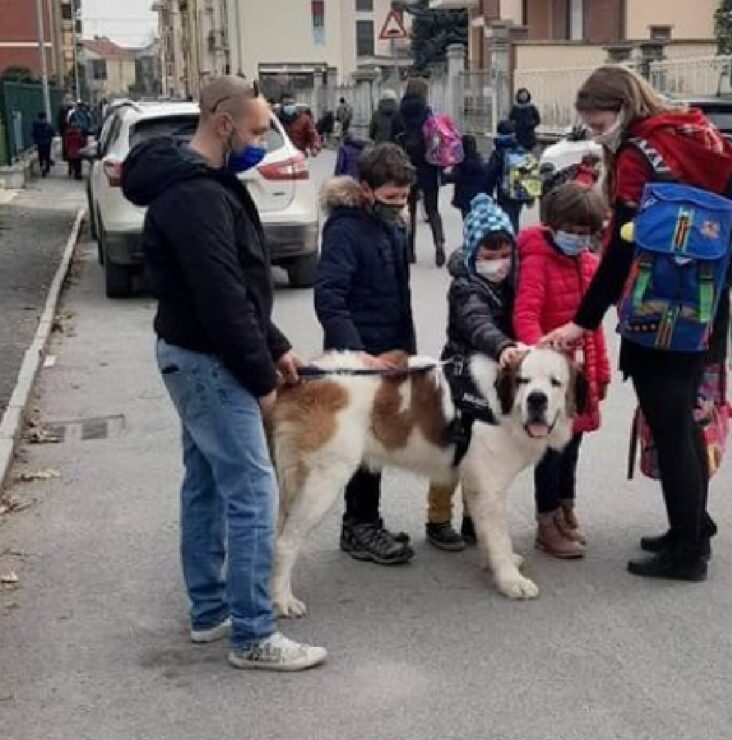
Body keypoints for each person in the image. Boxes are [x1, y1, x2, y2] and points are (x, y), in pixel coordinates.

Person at [120, 75, 327, 671]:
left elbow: (239, 283)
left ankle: (210, 611)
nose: (263, 142)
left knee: (208, 483)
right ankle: (254, 634)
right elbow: (221, 297)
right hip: (209, 361)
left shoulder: (203, 184)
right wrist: (263, 378)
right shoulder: (195, 196)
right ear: (223, 122)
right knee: (252, 491)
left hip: (200, 355)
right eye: (258, 129)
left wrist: (278, 344)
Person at [540, 65, 732, 582]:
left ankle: (688, 552)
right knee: (684, 421)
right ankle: (691, 526)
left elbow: (625, 248)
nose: (592, 130)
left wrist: (583, 320)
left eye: (597, 120)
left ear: (623, 108)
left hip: (661, 308)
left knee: (670, 426)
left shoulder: (638, 155)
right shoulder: (687, 131)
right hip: (703, 301)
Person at [315, 142, 418, 565]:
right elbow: (330, 298)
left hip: (389, 352)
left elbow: (399, 293)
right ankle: (358, 525)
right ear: (365, 189)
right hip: (358, 359)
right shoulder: (344, 230)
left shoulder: (391, 225)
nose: (399, 205)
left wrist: (406, 350)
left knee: (377, 444)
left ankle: (366, 521)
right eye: (391, 197)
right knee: (357, 447)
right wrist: (356, 356)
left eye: (404, 197)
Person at [514, 182, 610, 559]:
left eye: (585, 233)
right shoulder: (538, 260)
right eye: (570, 231)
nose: (577, 239)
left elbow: (593, 328)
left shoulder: (588, 263)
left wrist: (599, 375)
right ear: (552, 225)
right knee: (551, 453)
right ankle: (546, 520)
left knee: (572, 449)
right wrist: (542, 365)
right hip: (553, 381)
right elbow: (525, 316)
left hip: (578, 380)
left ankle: (566, 509)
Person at [426, 193, 522, 550]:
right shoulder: (466, 287)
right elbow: (476, 323)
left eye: (504, 255)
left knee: (485, 454)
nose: (498, 263)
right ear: (472, 254)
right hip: (461, 378)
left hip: (494, 381)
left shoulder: (511, 283)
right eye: (488, 255)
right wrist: (501, 346)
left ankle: (472, 517)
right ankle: (438, 518)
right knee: (453, 450)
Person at [398, 77, 446, 267]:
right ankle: (439, 244)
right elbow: (439, 139)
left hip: (406, 166)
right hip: (429, 165)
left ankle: (410, 251)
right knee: (432, 209)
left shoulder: (399, 112)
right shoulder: (429, 114)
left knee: (408, 209)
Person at [488, 119, 529, 233]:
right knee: (515, 217)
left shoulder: (498, 152)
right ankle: (514, 240)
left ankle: (512, 243)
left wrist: (488, 192)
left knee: (507, 219)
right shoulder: (520, 150)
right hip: (519, 192)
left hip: (504, 193)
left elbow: (491, 174)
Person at [444, 134, 493, 222]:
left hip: (465, 198)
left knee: (468, 221)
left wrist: (443, 177)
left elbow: (455, 176)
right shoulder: (479, 160)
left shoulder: (461, 162)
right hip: (479, 197)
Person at [509, 87, 541, 151]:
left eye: (525, 95)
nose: (523, 96)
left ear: (527, 96)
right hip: (518, 135)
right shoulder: (515, 108)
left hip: (529, 136)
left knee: (528, 154)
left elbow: (538, 120)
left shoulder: (531, 107)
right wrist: (515, 126)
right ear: (518, 96)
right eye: (521, 95)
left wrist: (531, 124)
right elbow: (510, 119)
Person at [32, 111, 54, 177]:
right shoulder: (48, 125)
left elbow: (33, 134)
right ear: (45, 117)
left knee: (41, 156)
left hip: (40, 143)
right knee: (47, 156)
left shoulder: (36, 125)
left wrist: (36, 140)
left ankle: (42, 167)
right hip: (47, 143)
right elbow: (53, 133)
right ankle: (47, 168)